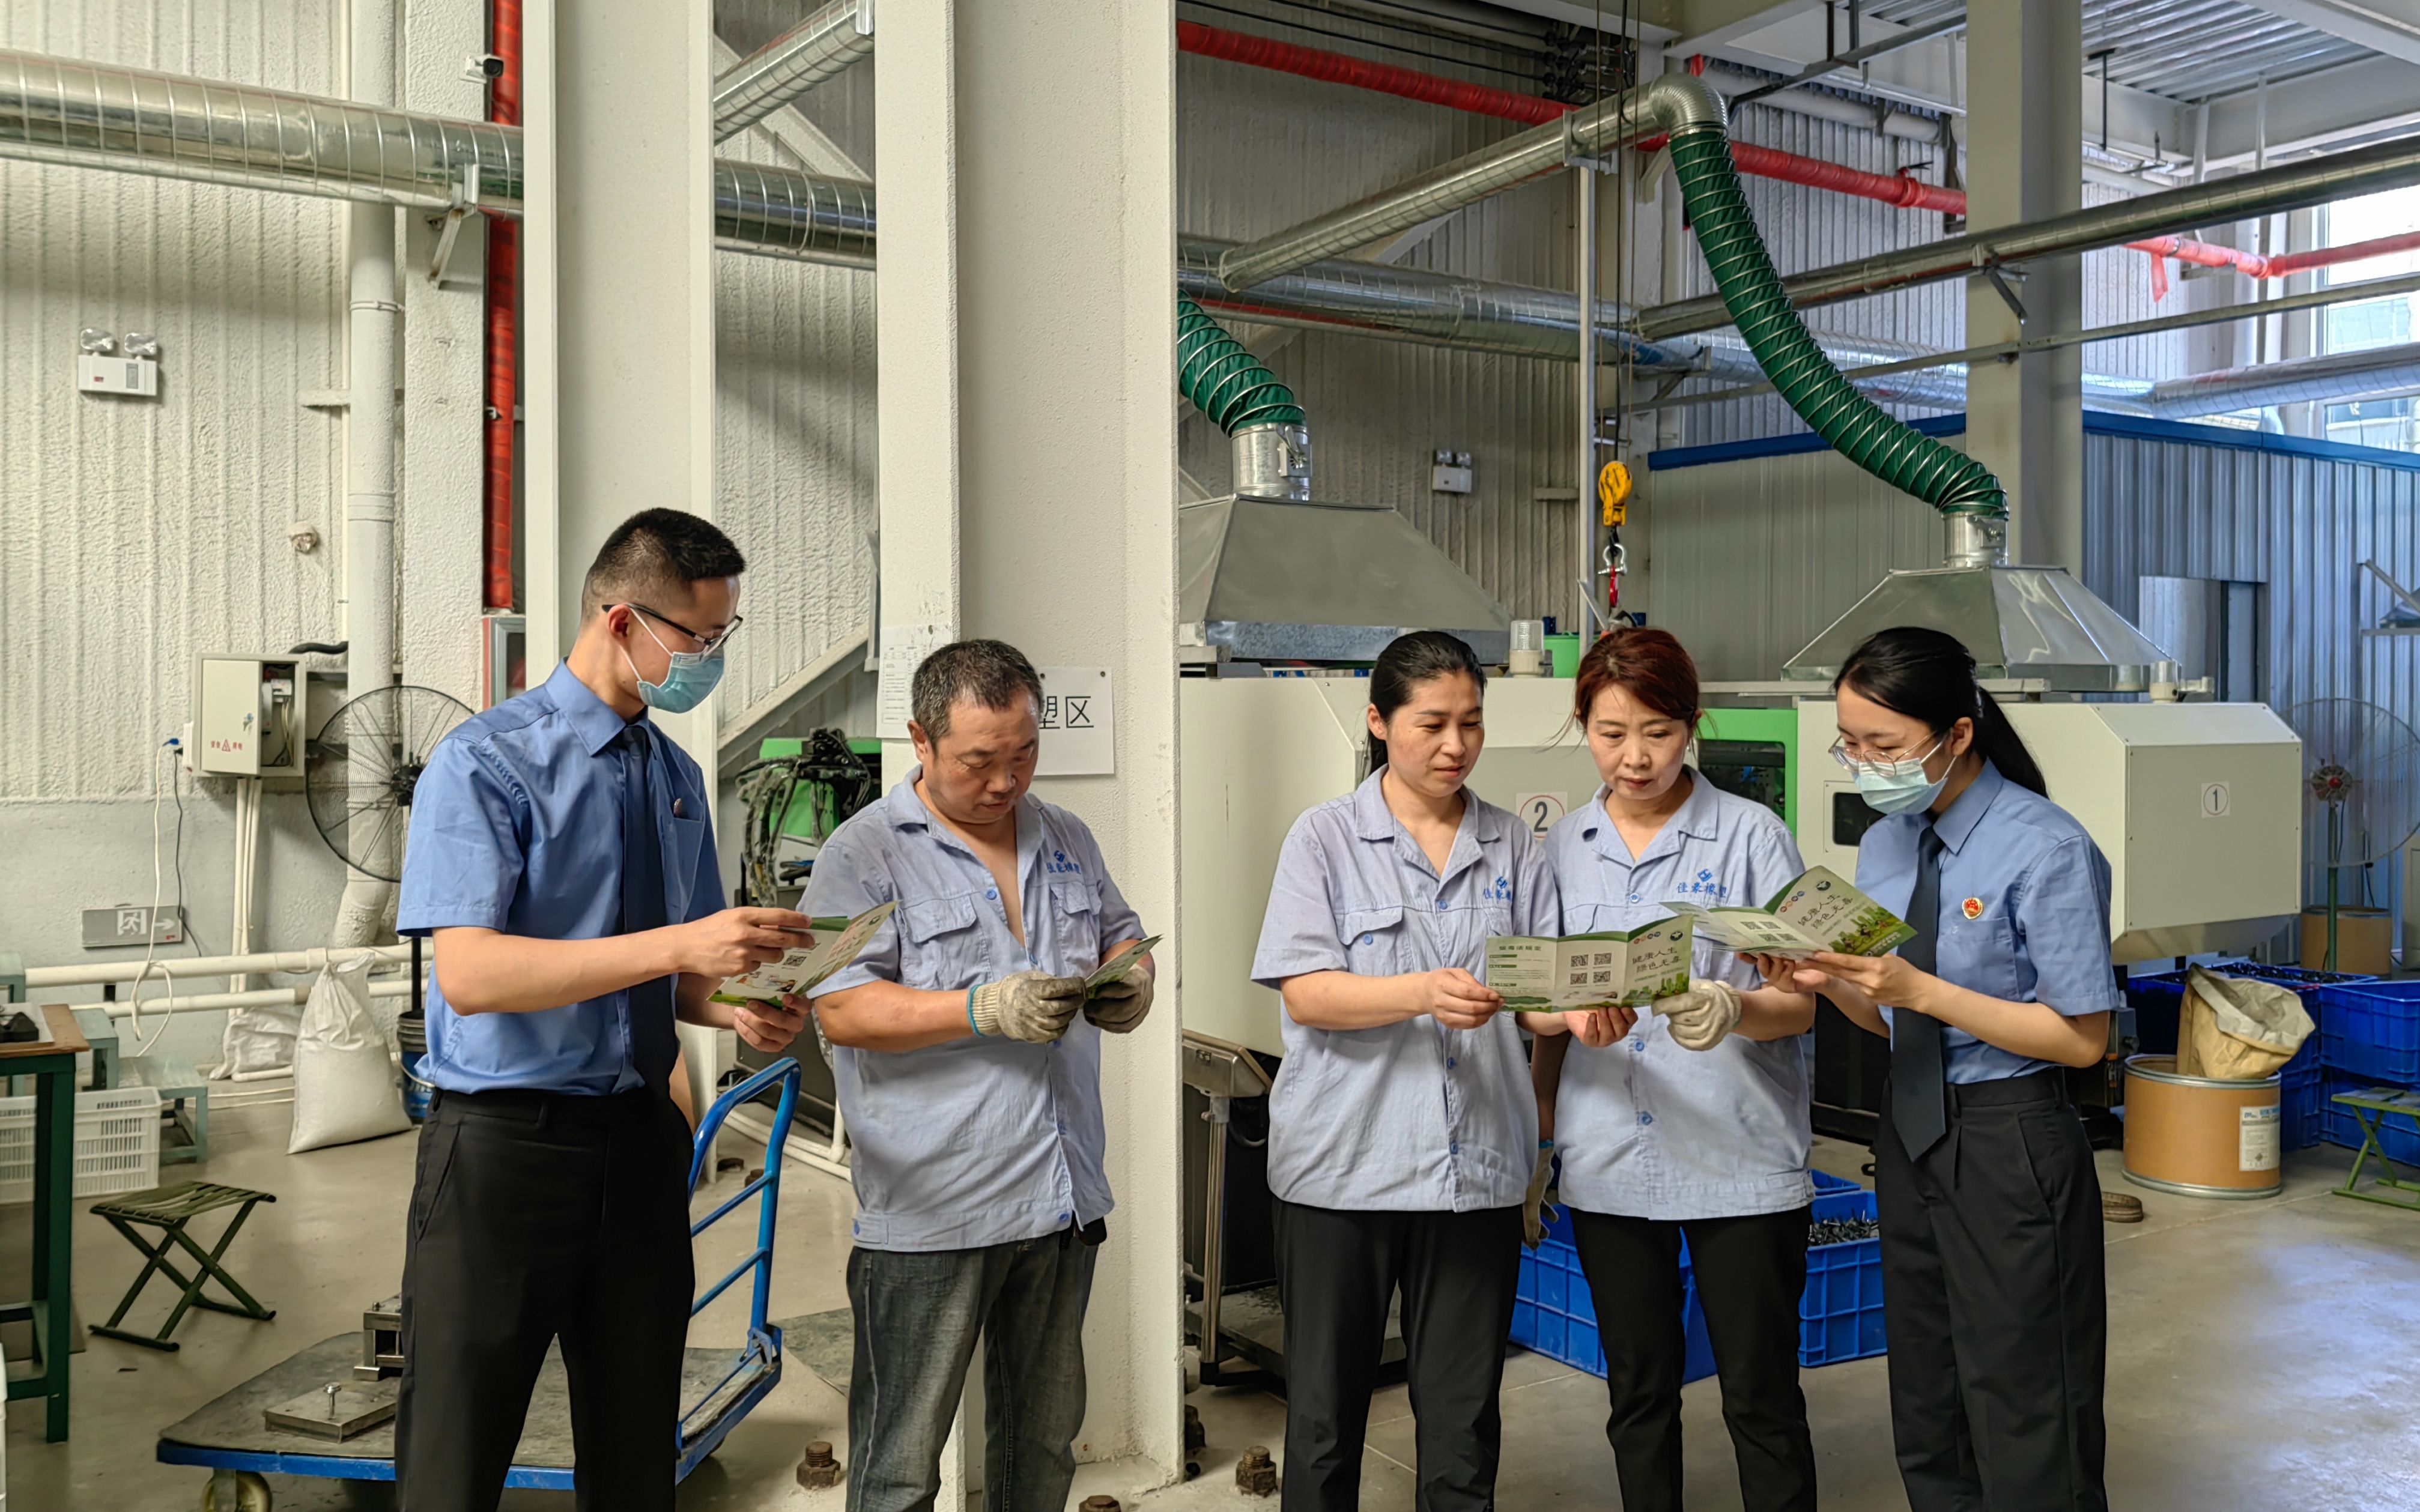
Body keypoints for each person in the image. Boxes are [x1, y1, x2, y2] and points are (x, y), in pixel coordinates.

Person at [394, 508, 814, 1511]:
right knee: (456, 1454)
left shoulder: (674, 776)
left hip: (638, 1148)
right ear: (621, 621)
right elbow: (472, 974)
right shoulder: (485, 764)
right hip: (504, 1150)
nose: (710, 660)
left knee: (635, 1453)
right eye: (698, 639)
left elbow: (683, 974)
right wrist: (679, 948)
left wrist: (742, 1005)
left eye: (722, 635)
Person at [805, 638, 1156, 1512]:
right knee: (898, 1465)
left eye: (1024, 753)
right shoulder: (864, 854)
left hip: (1059, 1194)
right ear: (921, 741)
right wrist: (980, 1007)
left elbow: (1119, 930)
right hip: (935, 1205)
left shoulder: (1065, 834)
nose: (1006, 781)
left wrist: (1131, 979)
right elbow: (839, 1008)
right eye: (978, 761)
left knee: (1040, 1449)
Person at [1779, 625, 2114, 1512]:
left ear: (1957, 733)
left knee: (2026, 1393)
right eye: (1849, 743)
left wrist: (1919, 989)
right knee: (1927, 1388)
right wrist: (1827, 979)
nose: (1864, 763)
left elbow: (2082, 1038)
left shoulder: (2046, 847)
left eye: (1883, 745)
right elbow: (1887, 1016)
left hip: (2011, 1138)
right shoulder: (1888, 841)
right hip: (1911, 1129)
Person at [1249, 630, 1555, 1512]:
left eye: (1471, 722)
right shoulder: (1324, 839)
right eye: (1432, 724)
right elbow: (1307, 993)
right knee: (1324, 1418)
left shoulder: (1512, 844)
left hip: (1475, 1173)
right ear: (1379, 722)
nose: (1456, 744)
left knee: (1463, 1422)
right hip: (1343, 1168)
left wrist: (1588, 1010)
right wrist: (1420, 991)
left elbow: (1540, 997)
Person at [1526, 627, 1821, 1512]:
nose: (1635, 756)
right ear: (1583, 727)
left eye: (1657, 732)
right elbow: (1534, 1003)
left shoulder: (1752, 836)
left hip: (1739, 1154)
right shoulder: (1561, 848)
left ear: (1692, 727)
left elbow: (1801, 1001)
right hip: (1609, 1154)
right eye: (1611, 733)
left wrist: (1733, 1007)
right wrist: (1564, 1031)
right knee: (1638, 1392)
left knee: (1760, 1395)